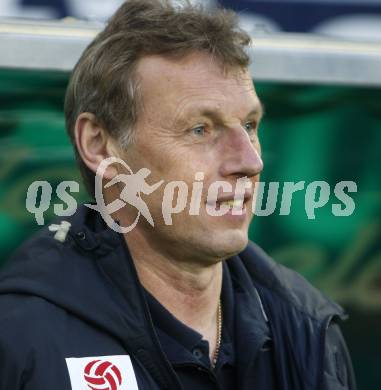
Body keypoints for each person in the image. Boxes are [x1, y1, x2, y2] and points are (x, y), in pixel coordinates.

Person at [0, 1, 356, 389]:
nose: (251, 161)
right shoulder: (21, 340)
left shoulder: (307, 328)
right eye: (201, 129)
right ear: (99, 145)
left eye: (250, 125)